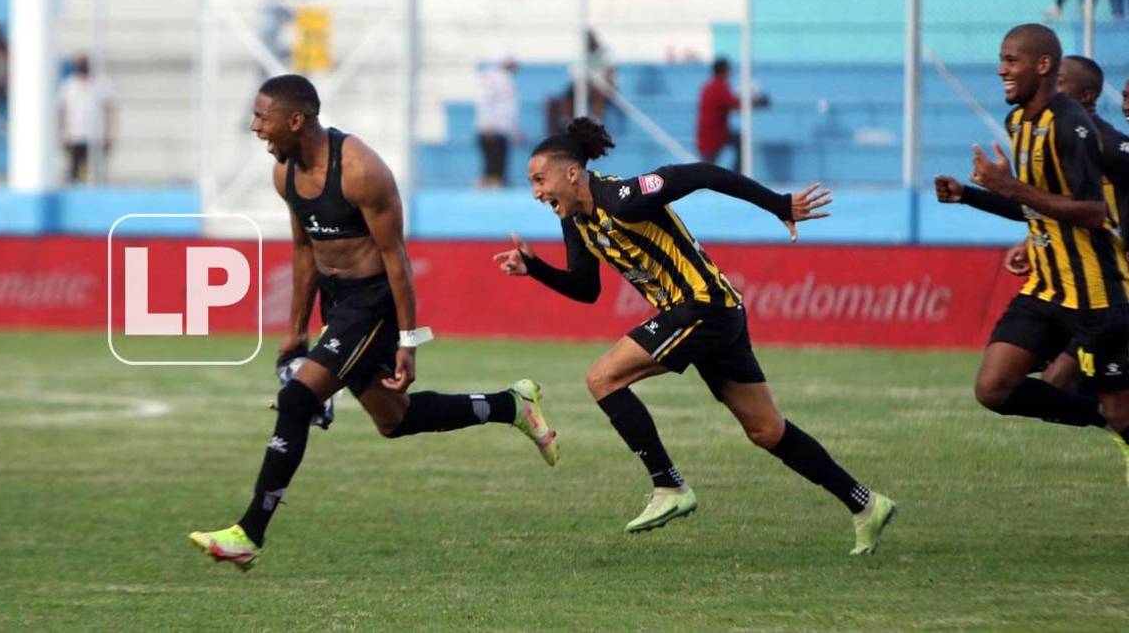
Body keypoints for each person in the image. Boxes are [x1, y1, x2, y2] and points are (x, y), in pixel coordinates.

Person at [189, 75, 561, 571]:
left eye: (262, 118)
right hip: (337, 304)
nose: (256, 128)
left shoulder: (361, 170)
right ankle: (510, 405)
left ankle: (249, 532)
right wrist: (297, 328)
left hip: (374, 304)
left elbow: (396, 259)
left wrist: (409, 341)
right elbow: (305, 251)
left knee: (298, 399)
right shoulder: (286, 175)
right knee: (395, 419)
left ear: (295, 120)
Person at [492, 116, 897, 554]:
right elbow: (586, 289)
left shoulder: (624, 197)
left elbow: (703, 173)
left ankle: (669, 486)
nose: (536, 192)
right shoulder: (575, 222)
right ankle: (865, 504)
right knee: (765, 430)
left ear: (572, 173)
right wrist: (534, 268)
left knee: (603, 378)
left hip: (702, 306)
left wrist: (778, 204)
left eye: (540, 179)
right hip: (715, 313)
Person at [933, 25, 1129, 485]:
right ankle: (1102, 416)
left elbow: (1091, 212)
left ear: (1044, 66)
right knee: (993, 388)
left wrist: (1006, 186)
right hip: (1046, 287)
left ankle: (1113, 417)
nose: (1001, 69)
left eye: (1011, 60)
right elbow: (1037, 201)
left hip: (1097, 294)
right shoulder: (1018, 123)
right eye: (1001, 59)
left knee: (1116, 408)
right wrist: (971, 196)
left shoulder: (1074, 128)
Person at [695, 57, 769, 172]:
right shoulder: (719, 87)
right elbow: (735, 104)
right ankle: (735, 177)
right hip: (713, 135)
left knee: (741, 142)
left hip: (714, 133)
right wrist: (758, 102)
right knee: (705, 170)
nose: (731, 71)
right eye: (729, 69)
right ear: (724, 70)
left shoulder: (710, 86)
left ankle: (735, 176)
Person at [57, 54, 115, 183]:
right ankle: (80, 186)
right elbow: (63, 111)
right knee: (78, 168)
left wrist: (108, 133)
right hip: (76, 135)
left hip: (95, 135)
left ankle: (91, 187)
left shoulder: (101, 84)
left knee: (94, 168)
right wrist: (62, 132)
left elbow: (108, 110)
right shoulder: (69, 85)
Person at [476, 57, 522, 188]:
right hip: (493, 130)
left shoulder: (507, 79)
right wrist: (487, 124)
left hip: (502, 130)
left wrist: (516, 132)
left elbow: (510, 110)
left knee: (499, 173)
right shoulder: (492, 77)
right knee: (492, 172)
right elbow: (486, 101)